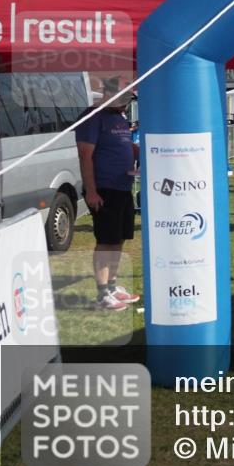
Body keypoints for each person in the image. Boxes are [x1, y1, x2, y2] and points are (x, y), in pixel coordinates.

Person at [75, 79, 140, 311]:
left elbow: (125, 145)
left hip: (123, 186)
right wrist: (91, 191)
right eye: (126, 98)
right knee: (106, 241)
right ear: (110, 94)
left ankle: (112, 286)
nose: (128, 104)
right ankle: (102, 294)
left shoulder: (119, 117)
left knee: (119, 239)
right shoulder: (93, 117)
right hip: (104, 189)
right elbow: (85, 156)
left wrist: (138, 151)